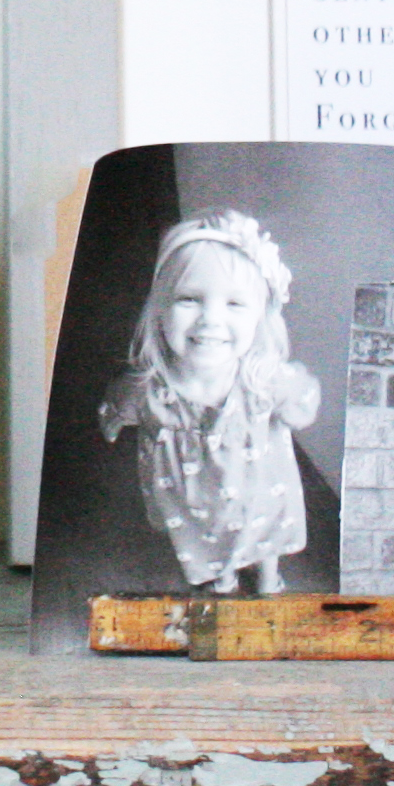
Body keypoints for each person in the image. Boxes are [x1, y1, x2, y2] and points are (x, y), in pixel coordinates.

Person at [96, 212, 324, 593]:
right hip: (194, 497)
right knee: (206, 533)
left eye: (235, 304)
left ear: (260, 318)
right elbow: (118, 404)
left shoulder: (264, 380)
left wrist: (296, 406)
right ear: (159, 311)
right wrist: (113, 422)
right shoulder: (151, 389)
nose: (211, 319)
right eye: (189, 300)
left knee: (266, 526)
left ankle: (269, 577)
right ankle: (223, 575)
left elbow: (303, 403)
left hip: (260, 491)